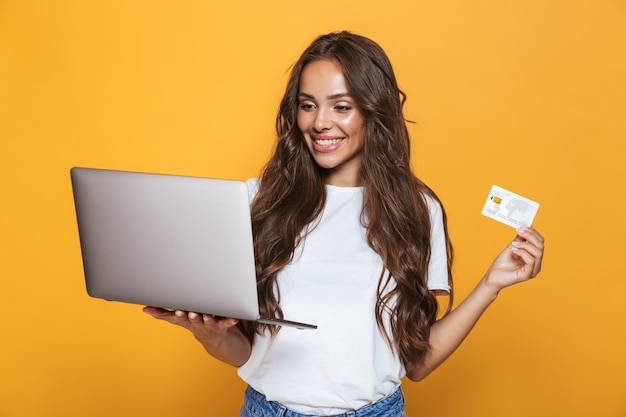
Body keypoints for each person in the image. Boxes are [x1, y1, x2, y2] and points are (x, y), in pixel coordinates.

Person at [144, 31, 544, 417]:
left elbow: (417, 364)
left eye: (341, 106)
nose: (319, 123)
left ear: (374, 110)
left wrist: (491, 285)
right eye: (307, 104)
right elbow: (248, 353)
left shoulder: (415, 209)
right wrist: (210, 334)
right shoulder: (257, 199)